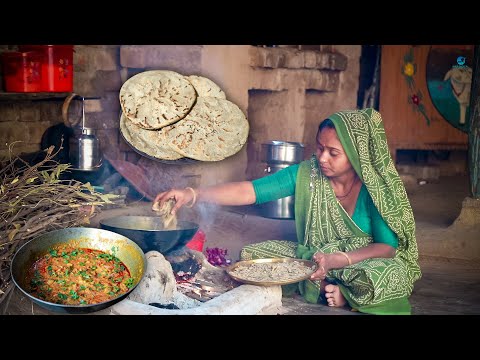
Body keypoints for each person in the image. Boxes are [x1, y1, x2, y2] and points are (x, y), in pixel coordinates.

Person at [153, 108, 422, 315]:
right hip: (315, 256)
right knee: (252, 258)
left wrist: (336, 259)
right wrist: (193, 194)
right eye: (319, 147)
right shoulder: (308, 173)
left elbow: (387, 248)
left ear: (356, 156)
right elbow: (251, 190)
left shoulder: (373, 189)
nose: (322, 158)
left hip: (359, 260)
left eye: (333, 152)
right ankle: (327, 283)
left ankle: (345, 294)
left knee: (390, 274)